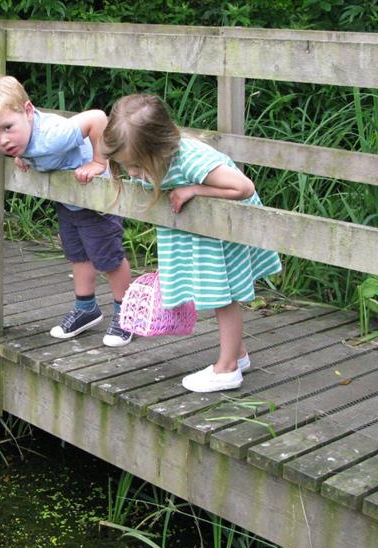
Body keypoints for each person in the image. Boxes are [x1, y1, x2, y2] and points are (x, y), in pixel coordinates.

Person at [101, 94, 282, 393]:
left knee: (225, 297)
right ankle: (237, 354)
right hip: (202, 233)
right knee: (215, 292)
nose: (132, 173)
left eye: (135, 165)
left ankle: (227, 370)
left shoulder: (192, 159)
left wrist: (195, 189)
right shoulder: (153, 160)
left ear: (159, 146)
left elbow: (243, 186)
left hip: (225, 230)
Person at [0, 75, 133, 348]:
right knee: (78, 254)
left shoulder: (53, 136)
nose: (4, 141)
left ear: (29, 111)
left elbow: (97, 118)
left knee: (109, 259)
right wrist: (23, 156)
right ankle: (86, 308)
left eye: (8, 128)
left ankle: (127, 314)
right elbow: (29, 145)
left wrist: (97, 162)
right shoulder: (24, 138)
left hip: (95, 202)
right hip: (69, 202)